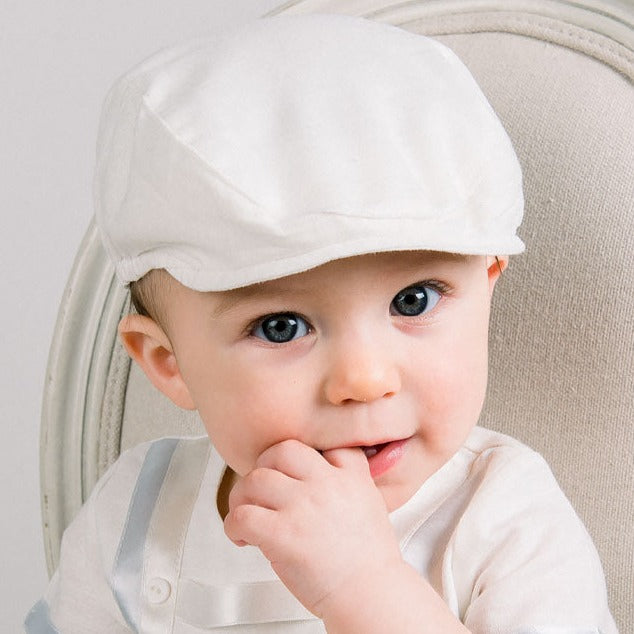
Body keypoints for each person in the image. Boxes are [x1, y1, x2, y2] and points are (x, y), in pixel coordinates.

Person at [26, 14, 617, 634]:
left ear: (487, 292)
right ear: (168, 363)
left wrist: (363, 588)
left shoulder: (503, 519)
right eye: (281, 326)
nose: (364, 379)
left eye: (414, 300)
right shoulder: (135, 516)